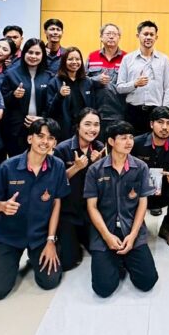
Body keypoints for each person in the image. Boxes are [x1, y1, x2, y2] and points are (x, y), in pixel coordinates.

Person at [0, 118, 66, 300]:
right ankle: (8, 260)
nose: (45, 141)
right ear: (30, 139)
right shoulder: (8, 166)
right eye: (40, 136)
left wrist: (51, 240)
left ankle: (38, 256)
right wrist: (2, 206)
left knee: (50, 281)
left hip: (40, 236)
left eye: (50, 138)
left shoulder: (58, 166)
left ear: (55, 143)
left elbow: (56, 203)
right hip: (10, 236)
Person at [84, 121, 159, 298]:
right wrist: (107, 236)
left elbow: (142, 203)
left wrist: (133, 236)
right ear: (111, 141)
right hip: (105, 229)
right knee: (103, 289)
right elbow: (91, 207)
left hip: (131, 228)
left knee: (147, 281)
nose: (129, 142)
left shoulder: (140, 167)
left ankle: (123, 256)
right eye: (123, 138)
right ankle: (118, 259)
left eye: (131, 137)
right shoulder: (95, 170)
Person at [53, 108, 106, 269]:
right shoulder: (62, 149)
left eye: (96, 124)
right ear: (78, 126)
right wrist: (75, 168)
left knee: (100, 250)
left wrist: (99, 165)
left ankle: (82, 237)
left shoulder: (99, 147)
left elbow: (105, 182)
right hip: (68, 212)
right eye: (87, 124)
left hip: (90, 210)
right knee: (69, 262)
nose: (92, 129)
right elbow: (54, 183)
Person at [131, 107, 169, 246]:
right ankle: (137, 226)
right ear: (151, 124)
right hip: (141, 192)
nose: (165, 127)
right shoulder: (136, 143)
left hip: (165, 190)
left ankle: (168, 228)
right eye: (160, 122)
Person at [116, 20, 169, 134]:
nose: (148, 37)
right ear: (138, 36)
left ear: (156, 37)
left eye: (152, 34)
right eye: (145, 34)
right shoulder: (128, 59)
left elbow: (168, 88)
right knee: (132, 142)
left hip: (156, 111)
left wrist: (166, 113)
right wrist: (134, 84)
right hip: (133, 111)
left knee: (155, 143)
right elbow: (119, 88)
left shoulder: (164, 60)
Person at [1, 38, 55, 157]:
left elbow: (51, 103)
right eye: (30, 52)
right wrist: (13, 95)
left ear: (43, 55)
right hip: (16, 129)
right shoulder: (11, 74)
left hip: (41, 127)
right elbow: (1, 102)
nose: (33, 56)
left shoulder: (49, 76)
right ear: (24, 53)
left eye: (37, 53)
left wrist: (42, 119)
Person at [48, 47, 101, 137]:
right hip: (63, 130)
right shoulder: (55, 82)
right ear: (64, 61)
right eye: (70, 59)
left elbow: (92, 107)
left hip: (84, 129)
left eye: (77, 59)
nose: (74, 62)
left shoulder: (87, 82)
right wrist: (59, 96)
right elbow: (49, 112)